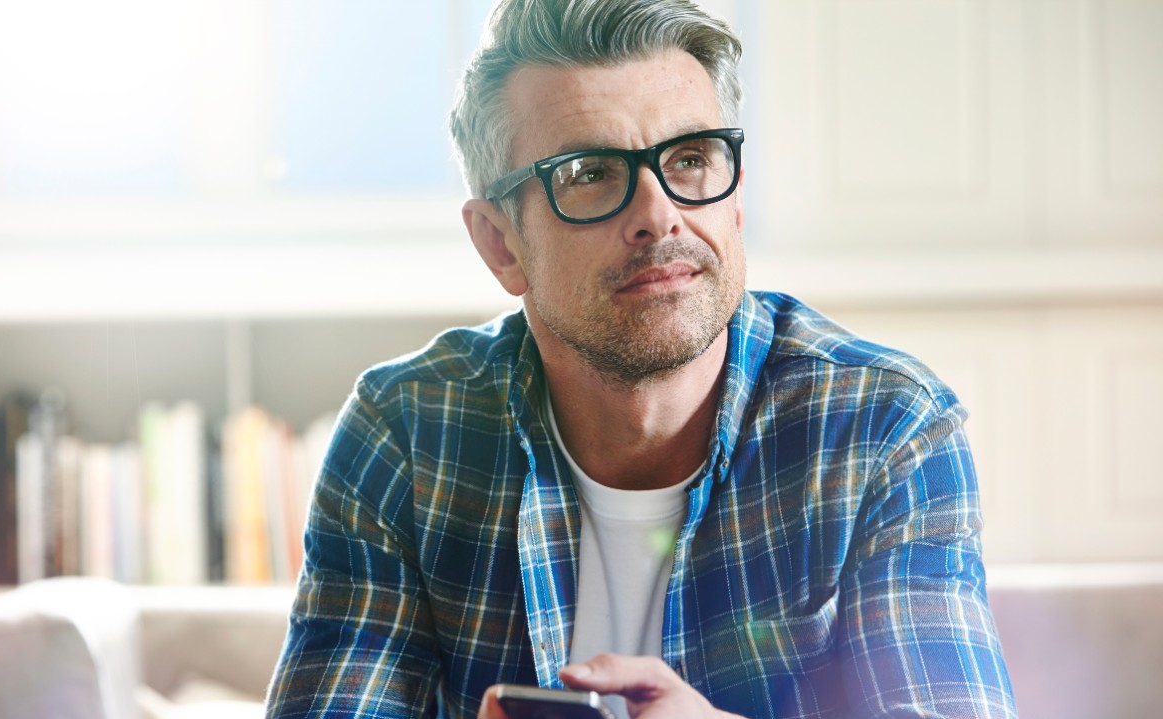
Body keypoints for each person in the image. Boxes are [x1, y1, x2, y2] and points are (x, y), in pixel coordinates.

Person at [265, 0, 1017, 717]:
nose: (659, 214)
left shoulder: (883, 427)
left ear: (738, 199)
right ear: (501, 243)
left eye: (690, 158)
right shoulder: (405, 436)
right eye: (589, 173)